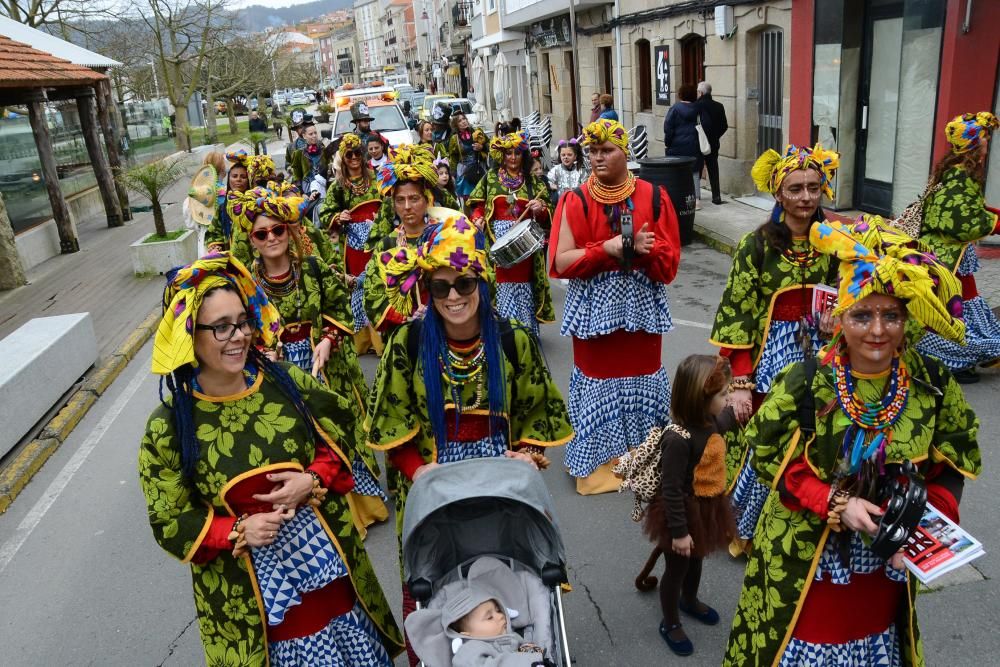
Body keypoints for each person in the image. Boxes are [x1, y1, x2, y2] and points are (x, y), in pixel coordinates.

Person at [724, 216, 980, 666]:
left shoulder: (933, 383)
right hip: (806, 566)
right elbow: (771, 461)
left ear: (907, 318)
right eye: (862, 314)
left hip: (886, 570)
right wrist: (836, 503)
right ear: (840, 314)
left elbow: (950, 466)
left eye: (891, 315)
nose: (877, 330)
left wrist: (920, 523)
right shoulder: (805, 380)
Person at [139, 253, 404, 666]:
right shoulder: (169, 426)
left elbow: (341, 429)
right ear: (190, 335)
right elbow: (170, 519)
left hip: (329, 571)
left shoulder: (285, 382)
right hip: (247, 595)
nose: (239, 336)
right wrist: (237, 529)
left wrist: (312, 480)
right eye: (221, 327)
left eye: (242, 322)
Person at [366, 211, 572, 665]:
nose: (453, 296)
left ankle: (518, 640)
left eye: (464, 284)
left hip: (500, 476)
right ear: (427, 290)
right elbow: (390, 419)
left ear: (482, 283)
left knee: (515, 562)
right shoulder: (409, 342)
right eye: (440, 287)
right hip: (432, 476)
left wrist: (529, 453)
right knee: (432, 571)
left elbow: (539, 405)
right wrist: (416, 472)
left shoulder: (512, 338)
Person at [713, 143, 840, 551]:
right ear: (778, 193)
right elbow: (737, 312)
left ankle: (804, 517)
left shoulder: (835, 244)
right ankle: (749, 528)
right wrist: (741, 383)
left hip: (821, 354)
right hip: (772, 356)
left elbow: (851, 295)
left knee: (816, 436)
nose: (805, 197)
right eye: (796, 188)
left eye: (813, 188)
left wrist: (840, 315)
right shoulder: (758, 246)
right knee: (768, 441)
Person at [549, 119, 681, 495]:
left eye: (606, 150)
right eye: (592, 151)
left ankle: (645, 462)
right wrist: (606, 250)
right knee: (597, 385)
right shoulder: (573, 199)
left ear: (626, 153)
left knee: (644, 380)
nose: (596, 158)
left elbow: (669, 265)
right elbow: (560, 261)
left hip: (641, 309)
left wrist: (647, 249)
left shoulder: (654, 197)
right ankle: (597, 469)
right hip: (593, 312)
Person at [245, 192, 388, 533]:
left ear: (289, 231)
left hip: (322, 364)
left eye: (277, 230)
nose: (271, 239)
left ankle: (359, 509)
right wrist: (264, 352)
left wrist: (328, 340)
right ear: (252, 240)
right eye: (261, 234)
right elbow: (244, 328)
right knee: (296, 438)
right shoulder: (247, 283)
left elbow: (339, 308)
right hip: (277, 371)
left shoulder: (312, 267)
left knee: (335, 432)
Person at [643, 355, 737, 657]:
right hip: (680, 512)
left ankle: (690, 599)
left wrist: (739, 411)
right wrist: (680, 533)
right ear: (701, 399)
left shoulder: (709, 420)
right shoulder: (678, 439)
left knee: (697, 559)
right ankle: (670, 622)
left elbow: (722, 423)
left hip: (706, 506)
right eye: (723, 395)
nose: (728, 398)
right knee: (678, 565)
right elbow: (670, 490)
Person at [915, 111, 1000, 384]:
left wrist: (992, 214)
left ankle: (975, 352)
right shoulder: (962, 176)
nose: (986, 149)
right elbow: (964, 222)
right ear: (974, 147)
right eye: (985, 144)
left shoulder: (950, 171)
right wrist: (996, 222)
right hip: (949, 254)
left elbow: (966, 210)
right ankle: (960, 359)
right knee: (957, 308)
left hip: (948, 254)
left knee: (961, 305)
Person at [468, 132, 554, 337]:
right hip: (497, 242)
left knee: (524, 287)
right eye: (508, 153)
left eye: (517, 153)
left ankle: (525, 333)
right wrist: (477, 218)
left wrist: (539, 208)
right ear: (502, 156)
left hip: (525, 245)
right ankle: (504, 332)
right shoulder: (490, 178)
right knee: (500, 285)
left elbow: (548, 214)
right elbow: (477, 205)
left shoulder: (534, 182)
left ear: (524, 156)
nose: (513, 158)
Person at [363, 144, 441, 337]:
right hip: (402, 334)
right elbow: (372, 294)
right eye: (400, 200)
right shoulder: (386, 245)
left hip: (445, 327)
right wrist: (404, 316)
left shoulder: (443, 236)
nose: (407, 207)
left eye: (414, 198)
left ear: (427, 199)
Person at [318, 133, 384, 355]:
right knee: (358, 288)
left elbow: (389, 203)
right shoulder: (338, 186)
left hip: (378, 243)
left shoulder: (377, 178)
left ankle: (380, 340)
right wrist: (338, 216)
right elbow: (325, 213)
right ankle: (362, 341)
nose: (354, 157)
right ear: (343, 158)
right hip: (354, 247)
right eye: (349, 154)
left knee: (379, 285)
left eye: (358, 153)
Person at [406, 584, 550, 667]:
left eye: (499, 610)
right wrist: (531, 662)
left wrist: (537, 654)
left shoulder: (512, 637)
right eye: (489, 617)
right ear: (466, 633)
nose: (500, 616)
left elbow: (528, 651)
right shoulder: (469, 650)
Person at [664, 84, 711, 209]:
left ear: (680, 95)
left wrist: (668, 143)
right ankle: (696, 201)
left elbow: (668, 128)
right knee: (694, 173)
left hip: (676, 146)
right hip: (694, 146)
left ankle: (677, 198)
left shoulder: (674, 109)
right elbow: (707, 125)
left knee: (677, 172)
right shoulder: (699, 109)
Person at [205, 150, 251, 258]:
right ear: (229, 179)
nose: (238, 179)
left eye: (243, 177)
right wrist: (215, 246)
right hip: (231, 261)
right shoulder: (222, 208)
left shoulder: (254, 204)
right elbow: (214, 232)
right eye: (234, 176)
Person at [696, 82, 727, 205]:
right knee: (713, 168)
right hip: (713, 143)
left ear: (701, 93)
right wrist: (714, 136)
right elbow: (724, 126)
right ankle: (716, 196)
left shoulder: (696, 106)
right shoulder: (719, 106)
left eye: (698, 92)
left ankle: (696, 197)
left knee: (697, 168)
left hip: (699, 143)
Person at [448, 111, 488, 200]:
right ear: (456, 125)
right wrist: (453, 175)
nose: (463, 121)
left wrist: (482, 147)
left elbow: (489, 145)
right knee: (469, 199)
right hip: (465, 172)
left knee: (482, 196)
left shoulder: (477, 132)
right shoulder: (454, 139)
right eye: (459, 121)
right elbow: (453, 158)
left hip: (479, 168)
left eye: (464, 118)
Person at [289, 120, 328, 193]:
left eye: (315, 133)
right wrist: (302, 193)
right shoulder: (298, 154)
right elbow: (297, 176)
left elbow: (330, 167)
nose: (314, 136)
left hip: (324, 185)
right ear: (304, 136)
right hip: (308, 189)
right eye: (311, 134)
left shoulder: (323, 150)